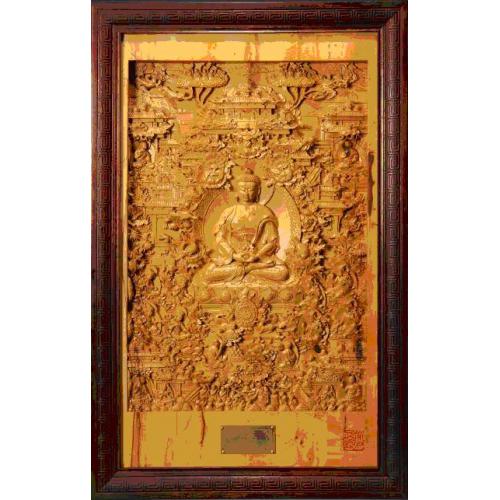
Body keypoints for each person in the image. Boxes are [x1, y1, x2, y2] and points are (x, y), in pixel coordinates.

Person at [202, 171, 289, 283]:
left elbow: (272, 242)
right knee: (208, 274)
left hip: (259, 259)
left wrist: (256, 256)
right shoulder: (229, 212)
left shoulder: (264, 212)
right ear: (237, 191)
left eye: (251, 190)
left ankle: (248, 269)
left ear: (258, 191)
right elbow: (220, 238)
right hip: (233, 259)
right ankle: (249, 270)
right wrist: (234, 255)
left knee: (282, 273)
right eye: (243, 189)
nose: (247, 193)